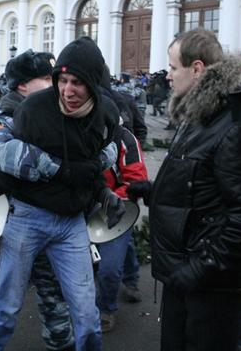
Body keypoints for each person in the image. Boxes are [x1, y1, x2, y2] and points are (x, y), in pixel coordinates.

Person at [0, 37, 123, 350]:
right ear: (23, 86)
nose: (60, 86)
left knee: (57, 307)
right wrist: (65, 169)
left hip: (62, 223)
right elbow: (0, 156)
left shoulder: (73, 112)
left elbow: (107, 146)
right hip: (8, 225)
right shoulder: (10, 115)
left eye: (71, 80)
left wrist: (95, 177)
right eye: (49, 78)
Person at [128, 28, 241, 351]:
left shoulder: (232, 123)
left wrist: (199, 270)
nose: (167, 76)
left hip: (212, 286)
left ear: (196, 69)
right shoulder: (200, 112)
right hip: (189, 272)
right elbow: (202, 187)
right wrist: (155, 192)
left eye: (172, 68)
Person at [95, 103, 148, 333]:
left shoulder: (125, 139)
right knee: (120, 248)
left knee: (108, 267)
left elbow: (136, 182)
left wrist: (108, 200)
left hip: (118, 209)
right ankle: (132, 276)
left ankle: (106, 309)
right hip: (86, 211)